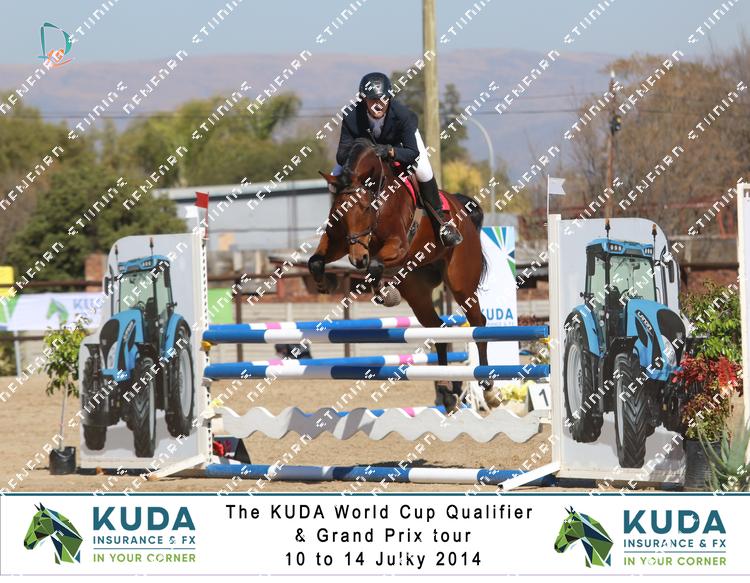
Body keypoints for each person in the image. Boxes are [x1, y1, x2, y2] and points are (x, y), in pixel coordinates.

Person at [330, 72, 462, 247]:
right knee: (333, 179)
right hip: (367, 152)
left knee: (424, 171)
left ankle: (442, 222)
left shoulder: (403, 115)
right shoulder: (351, 117)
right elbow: (341, 155)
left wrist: (390, 151)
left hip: (401, 145)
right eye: (372, 100)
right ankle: (338, 224)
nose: (378, 104)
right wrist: (364, 151)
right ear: (364, 99)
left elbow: (412, 153)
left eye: (383, 99)